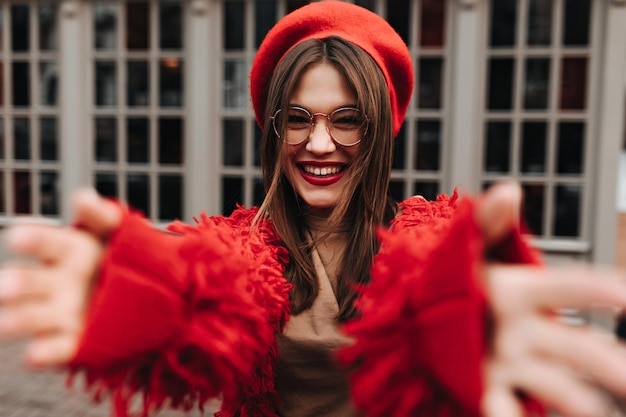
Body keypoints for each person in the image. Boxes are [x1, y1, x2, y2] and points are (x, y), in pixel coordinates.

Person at [1, 2, 626, 417]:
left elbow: (438, 272)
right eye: (297, 119)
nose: (319, 144)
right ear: (273, 130)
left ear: (379, 132)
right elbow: (214, 275)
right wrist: (158, 289)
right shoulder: (244, 246)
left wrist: (464, 313)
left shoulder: (419, 245)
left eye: (347, 120)